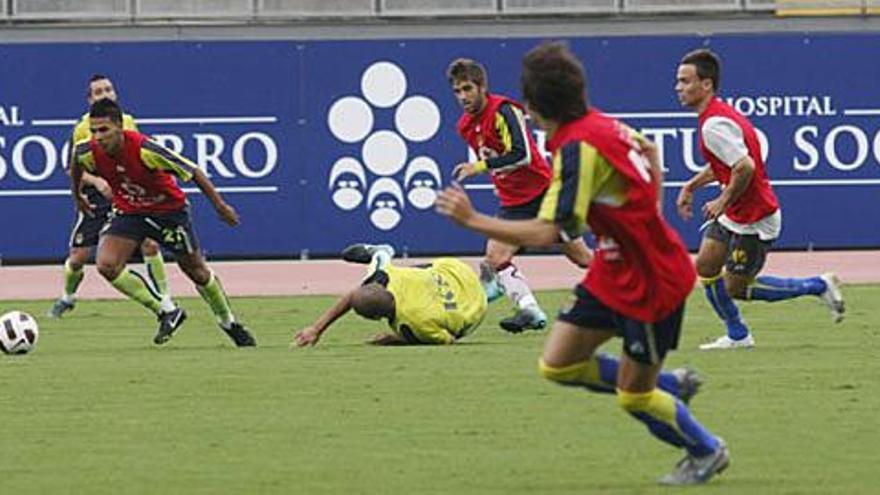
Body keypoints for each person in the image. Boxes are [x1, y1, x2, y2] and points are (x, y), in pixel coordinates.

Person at [436, 42, 727, 485]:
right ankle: (669, 382)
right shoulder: (601, 125)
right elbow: (649, 151)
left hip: (652, 279)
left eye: (528, 104)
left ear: (536, 106)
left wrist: (473, 219)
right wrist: (644, 214)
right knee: (558, 364)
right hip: (615, 269)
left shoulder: (576, 149)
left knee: (634, 396)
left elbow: (548, 232)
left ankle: (706, 448)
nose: (526, 113)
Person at [674, 49, 845, 350]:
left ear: (707, 85)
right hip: (735, 212)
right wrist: (692, 185)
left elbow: (745, 167)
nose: (679, 87)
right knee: (706, 266)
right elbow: (726, 165)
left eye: (686, 81)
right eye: (678, 81)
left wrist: (722, 201)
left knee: (736, 288)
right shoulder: (716, 116)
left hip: (755, 217)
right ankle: (738, 334)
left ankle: (818, 285)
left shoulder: (714, 124)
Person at [69, 98, 255, 347]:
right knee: (106, 264)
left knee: (196, 271)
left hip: (169, 213)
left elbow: (193, 171)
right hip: (130, 211)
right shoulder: (87, 150)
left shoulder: (146, 149)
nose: (98, 137)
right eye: (94, 131)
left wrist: (220, 206)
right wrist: (78, 196)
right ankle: (166, 310)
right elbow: (75, 164)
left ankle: (228, 322)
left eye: (104, 130)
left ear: (119, 127)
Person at [447, 58, 593, 334]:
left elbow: (522, 154)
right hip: (514, 203)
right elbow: (499, 157)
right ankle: (529, 310)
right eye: (457, 91)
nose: (463, 97)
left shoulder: (504, 110)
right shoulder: (465, 125)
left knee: (582, 257)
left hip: (544, 195)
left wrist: (480, 166)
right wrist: (497, 174)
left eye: (467, 89)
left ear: (481, 87)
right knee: (496, 255)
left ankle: (635, 284)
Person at [48, 74, 172, 318]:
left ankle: (166, 299)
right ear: (89, 99)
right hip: (96, 197)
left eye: (108, 89)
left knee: (149, 243)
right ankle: (68, 297)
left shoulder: (127, 122)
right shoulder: (83, 128)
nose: (104, 94)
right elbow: (72, 170)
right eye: (98, 91)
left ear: (115, 94)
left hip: (125, 196)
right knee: (78, 257)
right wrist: (98, 180)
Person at [293, 244, 495, 347]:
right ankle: (378, 250)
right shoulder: (386, 276)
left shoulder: (410, 324)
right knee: (411, 270)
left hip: (474, 306)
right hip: (455, 269)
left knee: (457, 324)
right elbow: (356, 295)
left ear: (375, 318)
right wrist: (316, 328)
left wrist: (397, 339)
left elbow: (448, 340)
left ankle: (489, 290)